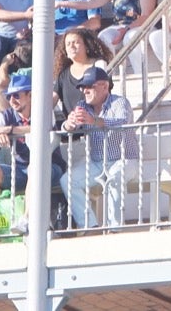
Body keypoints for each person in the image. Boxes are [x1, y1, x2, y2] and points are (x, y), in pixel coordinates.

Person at [0, 72, 53, 238]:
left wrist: (10, 130)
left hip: (50, 167)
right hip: (20, 169)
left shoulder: (44, 110)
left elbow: (41, 127)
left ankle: (26, 219)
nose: (11, 101)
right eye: (9, 96)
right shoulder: (8, 115)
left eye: (16, 95)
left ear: (30, 95)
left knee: (34, 167)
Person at [59, 66, 138, 229]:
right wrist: (69, 124)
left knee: (114, 178)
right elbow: (66, 130)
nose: (84, 90)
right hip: (97, 163)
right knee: (67, 180)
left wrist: (94, 120)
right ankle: (90, 226)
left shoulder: (119, 102)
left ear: (104, 86)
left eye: (90, 86)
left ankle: (115, 229)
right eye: (83, 87)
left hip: (125, 160)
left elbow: (122, 122)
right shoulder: (82, 105)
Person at [53, 28, 113, 120]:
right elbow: (54, 97)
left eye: (76, 42)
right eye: (68, 44)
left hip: (96, 127)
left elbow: (103, 95)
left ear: (87, 46)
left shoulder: (99, 65)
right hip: (73, 129)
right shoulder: (63, 74)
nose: (71, 47)